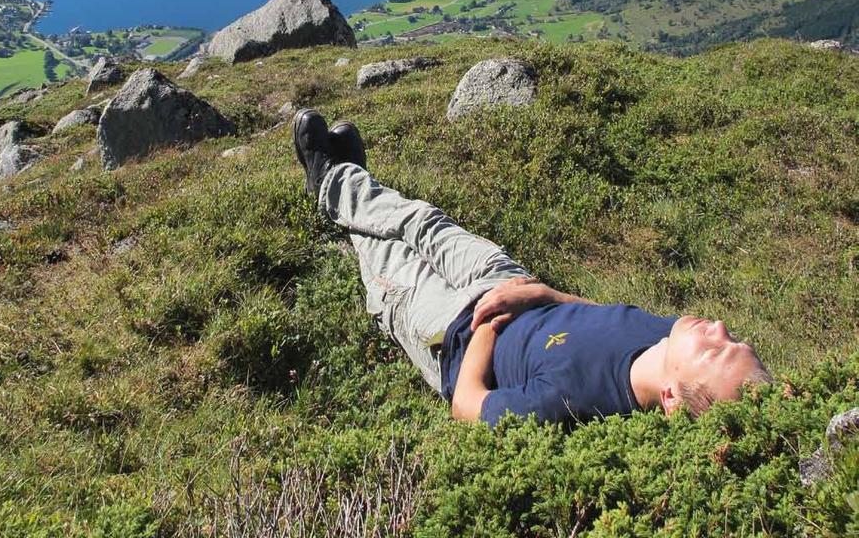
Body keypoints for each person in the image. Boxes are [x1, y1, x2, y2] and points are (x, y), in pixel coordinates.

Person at [292, 109, 772, 427]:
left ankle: (333, 180)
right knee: (423, 220)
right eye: (734, 339)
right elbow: (599, 315)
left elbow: (468, 405)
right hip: (510, 284)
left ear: (670, 398)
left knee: (384, 258)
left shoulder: (578, 398)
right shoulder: (667, 335)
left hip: (453, 331)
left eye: (715, 352)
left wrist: (486, 331)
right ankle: (347, 179)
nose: (721, 328)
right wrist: (545, 295)